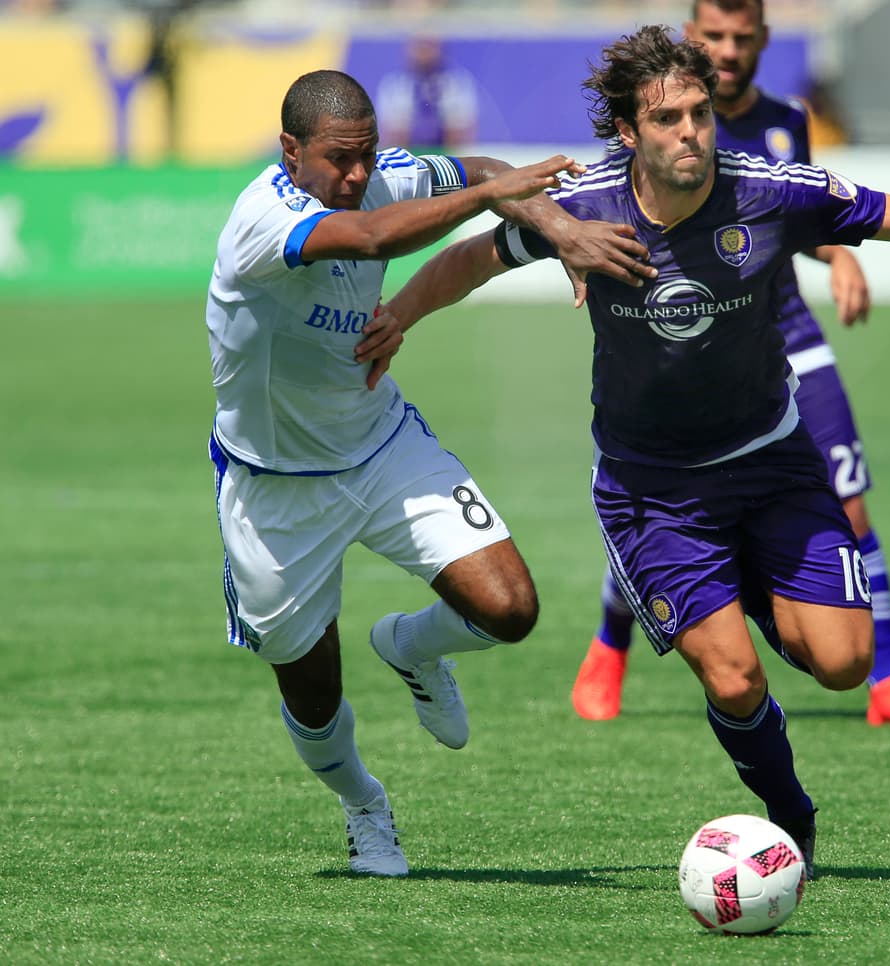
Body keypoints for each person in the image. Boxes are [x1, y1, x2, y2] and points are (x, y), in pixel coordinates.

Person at [364, 27, 890, 878]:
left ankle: (748, 582)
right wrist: (400, 319)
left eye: (701, 114)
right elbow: (473, 259)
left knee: (844, 664)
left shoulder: (769, 192)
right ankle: (792, 815)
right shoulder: (587, 208)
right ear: (631, 133)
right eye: (668, 118)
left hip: (773, 463)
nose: (691, 133)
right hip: (653, 492)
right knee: (737, 683)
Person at [206, 69, 656, 877]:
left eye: (367, 157)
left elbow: (480, 172)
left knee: (511, 608)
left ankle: (410, 645)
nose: (356, 175)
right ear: (290, 151)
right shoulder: (262, 219)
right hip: (275, 487)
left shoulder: (382, 175)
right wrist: (499, 193)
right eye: (339, 161)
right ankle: (364, 805)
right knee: (312, 699)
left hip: (381, 446)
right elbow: (377, 238)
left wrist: (560, 229)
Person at [571, 0, 890, 729]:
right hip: (683, 340)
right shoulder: (657, 119)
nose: (731, 49)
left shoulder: (786, 120)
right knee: (670, 497)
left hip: (782, 332)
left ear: (765, 41)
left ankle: (886, 678)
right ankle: (611, 642)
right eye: (716, 37)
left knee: (849, 497)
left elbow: (800, 218)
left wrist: (840, 257)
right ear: (691, 43)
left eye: (744, 38)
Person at [375, 36, 479, 153]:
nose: (424, 53)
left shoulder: (456, 84)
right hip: (408, 151)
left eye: (429, 47)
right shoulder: (394, 84)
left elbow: (461, 130)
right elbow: (392, 132)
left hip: (445, 152)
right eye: (419, 47)